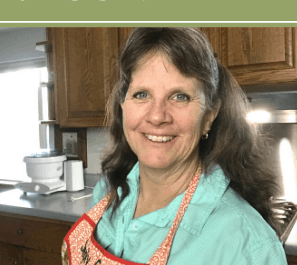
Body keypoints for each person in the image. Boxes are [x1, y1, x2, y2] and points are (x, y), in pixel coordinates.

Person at [62, 27, 287, 265]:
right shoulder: (107, 193)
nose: (157, 116)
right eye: (141, 95)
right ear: (123, 106)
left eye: (180, 96)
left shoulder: (249, 245)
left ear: (209, 116)